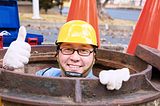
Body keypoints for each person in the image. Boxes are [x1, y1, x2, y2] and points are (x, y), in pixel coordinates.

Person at [2, 20, 130, 90]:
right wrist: (12, 69)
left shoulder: (102, 84)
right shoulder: (46, 75)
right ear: (57, 54)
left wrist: (120, 89)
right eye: (67, 49)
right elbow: (22, 92)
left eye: (84, 51)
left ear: (94, 57)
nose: (74, 57)